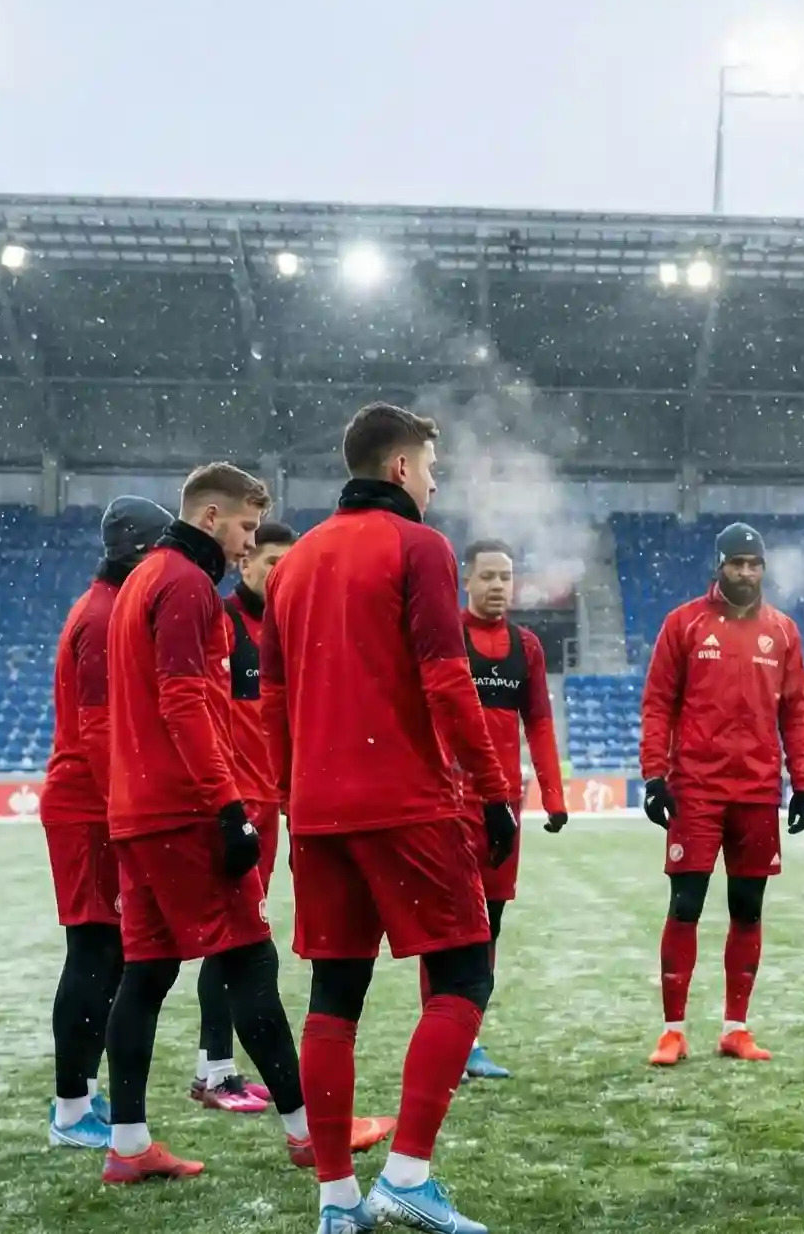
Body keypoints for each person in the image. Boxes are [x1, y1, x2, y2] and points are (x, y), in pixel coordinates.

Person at [261, 402, 521, 1234]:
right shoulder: (418, 546)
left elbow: (270, 703)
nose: (437, 482)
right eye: (432, 467)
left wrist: (293, 797)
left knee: (335, 995)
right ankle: (407, 1174)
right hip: (406, 801)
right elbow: (448, 681)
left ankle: (337, 1200)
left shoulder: (294, 565)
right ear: (401, 468)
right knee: (464, 977)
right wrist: (491, 790)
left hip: (320, 811)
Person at [100, 467, 386, 1185]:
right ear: (211, 514)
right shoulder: (187, 586)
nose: (248, 544)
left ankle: (129, 1145)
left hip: (135, 809)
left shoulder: (144, 578)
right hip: (181, 811)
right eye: (247, 529)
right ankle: (308, 1134)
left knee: (145, 974)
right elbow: (185, 703)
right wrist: (228, 807)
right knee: (250, 962)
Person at [637, 521, 804, 1066]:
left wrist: (803, 783)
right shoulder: (684, 624)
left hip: (758, 792)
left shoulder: (782, 631)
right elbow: (657, 703)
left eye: (753, 564)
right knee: (685, 905)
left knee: (748, 908)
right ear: (719, 566)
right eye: (736, 563)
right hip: (696, 789)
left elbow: (797, 712)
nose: (745, 572)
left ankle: (735, 1028)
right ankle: (673, 1031)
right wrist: (653, 775)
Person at [40, 495, 171, 1150]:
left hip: (97, 803)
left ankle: (80, 1098)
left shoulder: (110, 608)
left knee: (107, 955)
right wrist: (131, 807)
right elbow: (97, 730)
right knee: (95, 954)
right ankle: (70, 1107)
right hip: (90, 808)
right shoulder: (102, 617)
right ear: (142, 551)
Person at [190, 516, 298, 1116]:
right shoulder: (223, 623)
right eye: (271, 563)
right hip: (234, 808)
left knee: (236, 941)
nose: (280, 575)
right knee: (231, 942)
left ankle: (219, 1069)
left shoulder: (287, 630)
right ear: (245, 563)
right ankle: (215, 1072)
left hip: (270, 804)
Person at [454, 537, 569, 1080]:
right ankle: (448, 1037)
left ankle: (469, 1039)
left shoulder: (527, 647)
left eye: (507, 576)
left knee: (489, 926)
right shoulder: (447, 638)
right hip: (450, 806)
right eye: (489, 576)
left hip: (505, 809)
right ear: (466, 580)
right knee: (453, 928)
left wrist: (554, 794)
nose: (499, 585)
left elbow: (539, 724)